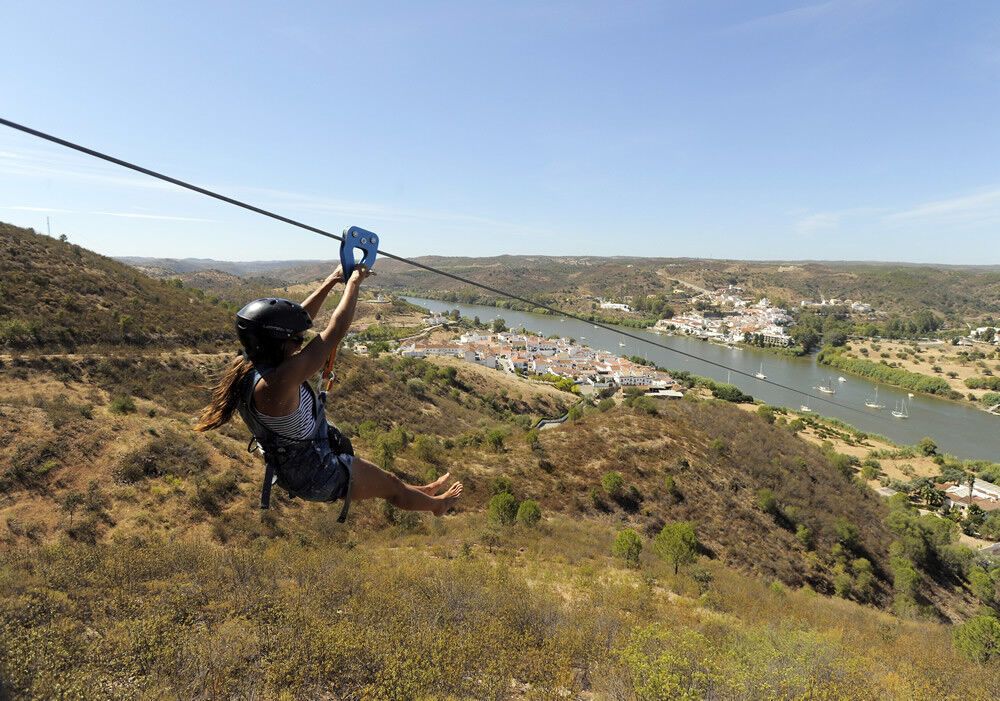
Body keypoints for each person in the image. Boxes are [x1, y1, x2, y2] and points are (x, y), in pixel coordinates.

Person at [195, 264, 462, 520]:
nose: (300, 342)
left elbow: (298, 321)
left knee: (389, 482)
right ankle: (436, 506)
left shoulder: (251, 363)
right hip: (320, 475)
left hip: (307, 463)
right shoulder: (277, 382)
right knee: (392, 490)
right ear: (276, 343)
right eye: (296, 340)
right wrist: (354, 283)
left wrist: (332, 281)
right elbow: (334, 331)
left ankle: (424, 493)